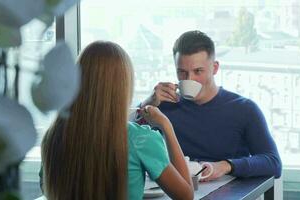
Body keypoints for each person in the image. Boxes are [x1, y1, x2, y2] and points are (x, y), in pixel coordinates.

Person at [40, 41, 193, 200]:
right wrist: (166, 126)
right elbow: (186, 196)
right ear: (123, 87)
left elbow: (46, 188)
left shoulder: (53, 135)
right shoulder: (139, 139)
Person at [140, 30, 282, 182]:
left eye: (198, 71)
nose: (190, 79)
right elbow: (121, 139)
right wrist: (148, 103)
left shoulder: (244, 109)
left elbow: (273, 163)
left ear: (214, 68)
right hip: (176, 191)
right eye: (182, 72)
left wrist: (226, 166)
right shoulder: (164, 106)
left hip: (228, 192)